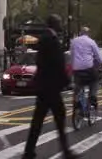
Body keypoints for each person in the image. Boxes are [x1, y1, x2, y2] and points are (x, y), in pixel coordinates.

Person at [21, 14, 76, 159]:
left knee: (39, 120)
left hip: (45, 86)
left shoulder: (46, 37)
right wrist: (65, 81)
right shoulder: (50, 39)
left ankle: (29, 152)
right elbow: (57, 63)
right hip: (49, 87)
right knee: (57, 117)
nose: (61, 24)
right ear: (54, 24)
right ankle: (65, 152)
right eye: (59, 22)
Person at [69, 27, 102, 114]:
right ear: (88, 34)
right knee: (95, 81)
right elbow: (99, 57)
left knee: (78, 85)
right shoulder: (91, 42)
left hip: (77, 70)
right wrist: (101, 64)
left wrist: (73, 67)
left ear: (80, 33)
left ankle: (76, 101)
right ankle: (92, 97)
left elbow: (72, 55)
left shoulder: (74, 42)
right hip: (88, 69)